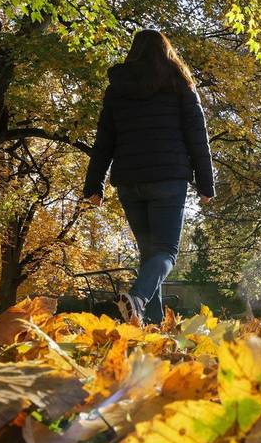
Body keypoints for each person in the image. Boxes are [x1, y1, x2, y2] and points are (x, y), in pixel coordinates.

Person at [82, 29, 215, 326]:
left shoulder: (118, 88)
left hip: (130, 181)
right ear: (166, 52)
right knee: (166, 252)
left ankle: (151, 325)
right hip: (169, 180)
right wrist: (206, 184)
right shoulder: (180, 85)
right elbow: (198, 138)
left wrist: (94, 184)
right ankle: (138, 299)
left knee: (149, 257)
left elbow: (104, 139)